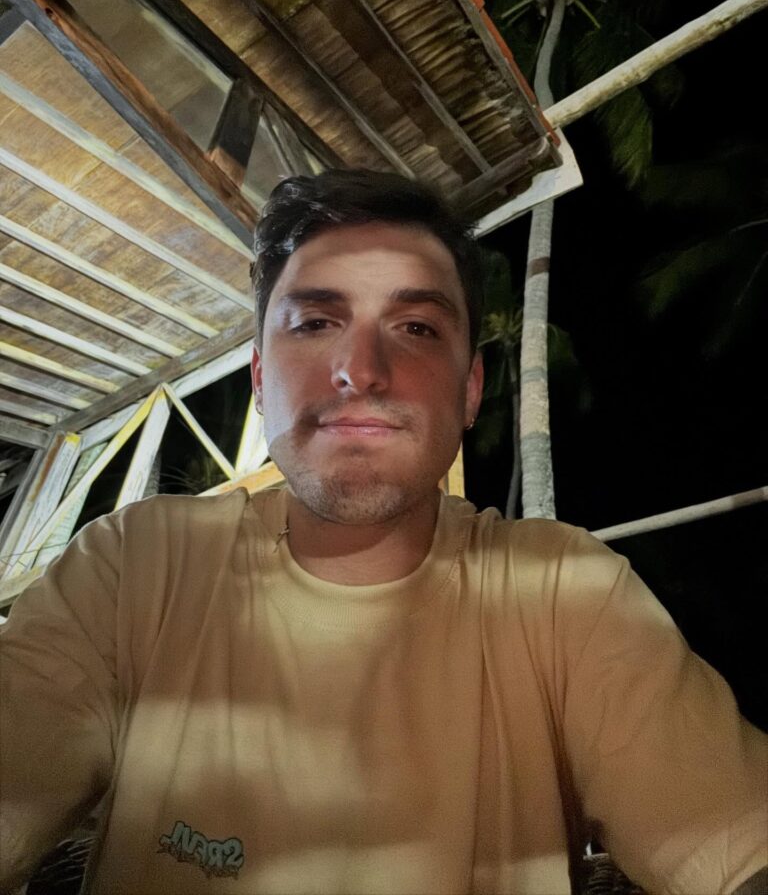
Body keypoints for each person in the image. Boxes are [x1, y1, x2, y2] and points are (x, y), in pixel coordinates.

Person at [0, 170, 766, 895]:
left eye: (416, 327)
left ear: (470, 390)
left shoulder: (566, 596)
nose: (361, 370)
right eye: (315, 322)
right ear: (261, 381)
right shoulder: (134, 566)